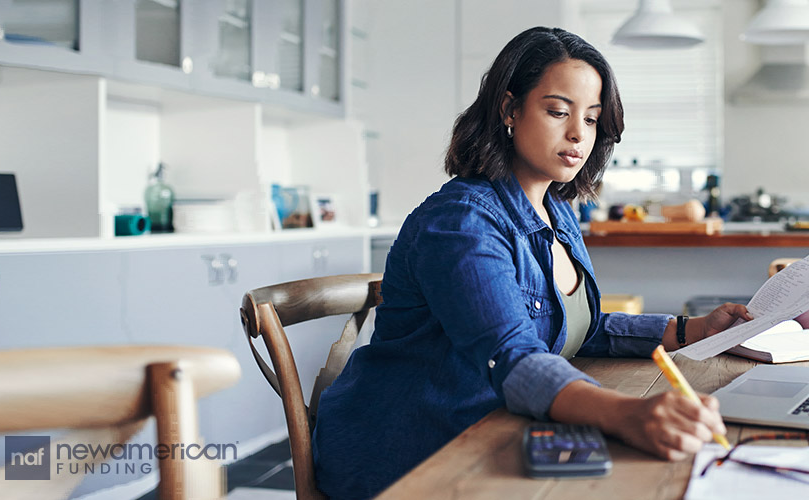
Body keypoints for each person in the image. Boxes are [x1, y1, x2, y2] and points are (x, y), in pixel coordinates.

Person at [312, 26, 752, 498]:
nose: (577, 134)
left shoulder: (557, 211)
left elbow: (578, 327)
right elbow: (514, 355)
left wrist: (693, 330)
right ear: (509, 109)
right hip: (413, 454)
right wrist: (627, 413)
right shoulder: (461, 223)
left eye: (591, 118)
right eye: (558, 111)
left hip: (496, 431)